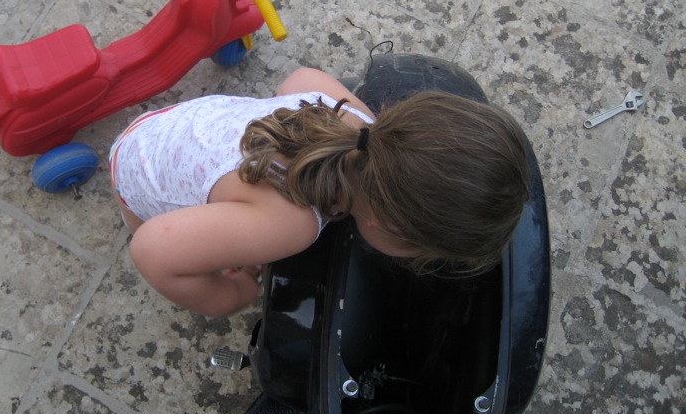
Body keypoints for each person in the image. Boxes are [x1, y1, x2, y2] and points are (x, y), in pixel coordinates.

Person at [109, 67, 530, 317]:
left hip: (170, 125)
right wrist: (234, 295)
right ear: (391, 229)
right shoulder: (291, 225)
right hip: (134, 172)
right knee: (159, 236)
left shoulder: (356, 121)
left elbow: (299, 78)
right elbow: (152, 251)